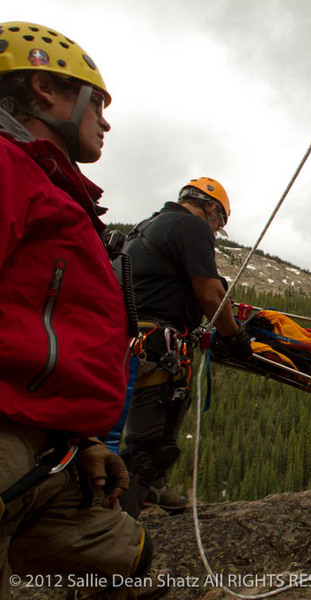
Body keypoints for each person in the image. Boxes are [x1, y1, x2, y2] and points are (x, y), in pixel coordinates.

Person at [0, 21, 158, 598]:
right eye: (98, 103)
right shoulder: (7, 166)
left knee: (126, 561)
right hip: (8, 435)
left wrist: (80, 437)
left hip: (52, 448)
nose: (107, 120)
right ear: (45, 88)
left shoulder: (58, 191)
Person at [118, 177, 252, 518]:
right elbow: (209, 295)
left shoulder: (146, 227)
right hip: (157, 344)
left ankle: (153, 490)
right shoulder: (191, 227)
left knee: (150, 428)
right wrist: (234, 337)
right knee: (147, 447)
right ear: (211, 208)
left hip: (130, 342)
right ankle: (123, 525)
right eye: (219, 221)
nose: (216, 227)